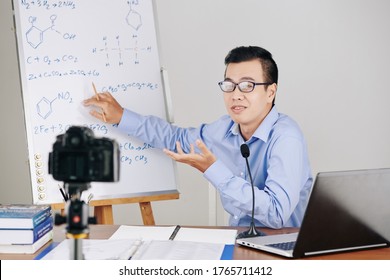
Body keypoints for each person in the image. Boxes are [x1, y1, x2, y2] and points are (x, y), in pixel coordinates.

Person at [83, 46, 313, 229]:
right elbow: (175, 137)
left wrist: (213, 170)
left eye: (247, 86)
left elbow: (277, 214)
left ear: (270, 92)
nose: (236, 95)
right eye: (229, 85)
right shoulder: (223, 129)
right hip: (240, 242)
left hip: (286, 248)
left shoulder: (286, 137)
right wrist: (121, 116)